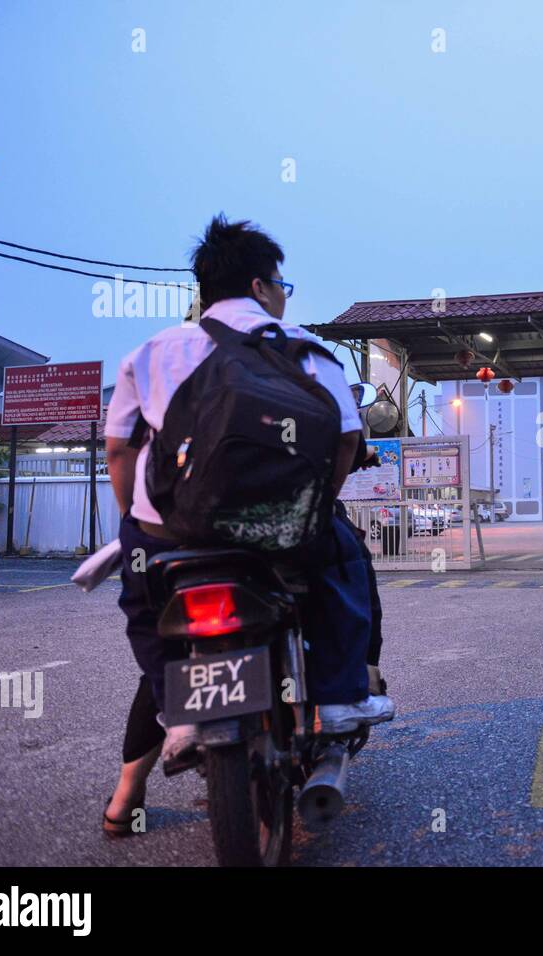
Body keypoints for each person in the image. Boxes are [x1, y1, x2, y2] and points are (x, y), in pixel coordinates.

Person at [102, 215, 393, 834]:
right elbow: (346, 438)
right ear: (262, 287)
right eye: (284, 284)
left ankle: (176, 715)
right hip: (281, 535)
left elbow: (119, 449)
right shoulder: (307, 351)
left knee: (143, 604)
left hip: (171, 536)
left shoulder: (153, 352)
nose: (286, 295)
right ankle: (339, 700)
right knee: (345, 564)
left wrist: (136, 522)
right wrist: (316, 504)